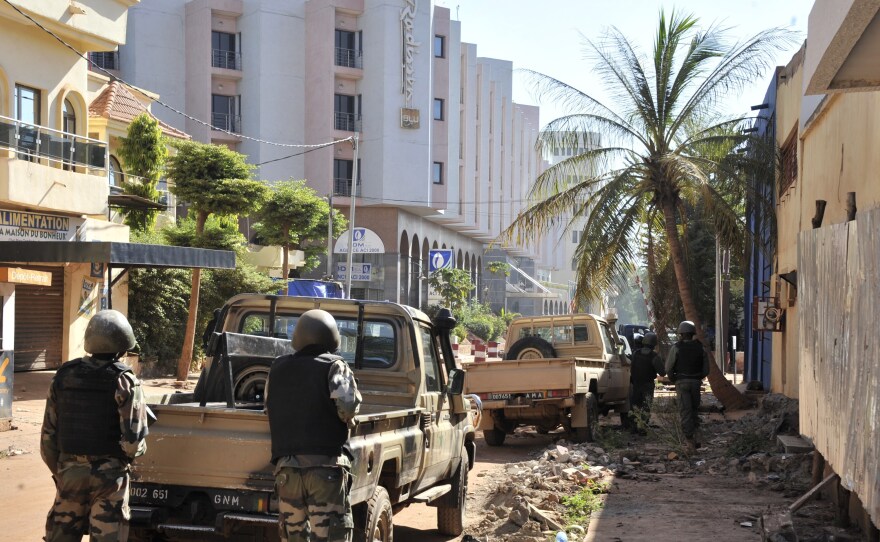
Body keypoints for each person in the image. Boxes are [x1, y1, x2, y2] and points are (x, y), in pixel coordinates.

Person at [41, 309, 149, 541]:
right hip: (110, 479)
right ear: (122, 346)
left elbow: (47, 440)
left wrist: (64, 471)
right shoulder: (125, 381)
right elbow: (133, 442)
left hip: (69, 474)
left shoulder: (63, 376)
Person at [265, 309, 362, 542]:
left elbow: (270, 407)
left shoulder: (277, 368)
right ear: (332, 338)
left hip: (286, 472)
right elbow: (348, 409)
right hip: (325, 470)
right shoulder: (334, 366)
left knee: (294, 537)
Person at [664, 320, 710, 453]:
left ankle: (689, 442)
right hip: (695, 382)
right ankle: (695, 438)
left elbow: (668, 367)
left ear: (681, 334)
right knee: (694, 410)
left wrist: (674, 379)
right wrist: (697, 377)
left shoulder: (676, 347)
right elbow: (706, 370)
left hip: (682, 382)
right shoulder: (700, 347)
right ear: (692, 334)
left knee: (685, 412)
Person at [627, 332, 665, 433]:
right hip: (647, 384)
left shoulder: (636, 353)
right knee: (646, 406)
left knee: (635, 405)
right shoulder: (654, 356)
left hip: (635, 383)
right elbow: (662, 372)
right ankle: (642, 427)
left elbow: (631, 367)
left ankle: (634, 426)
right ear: (654, 343)